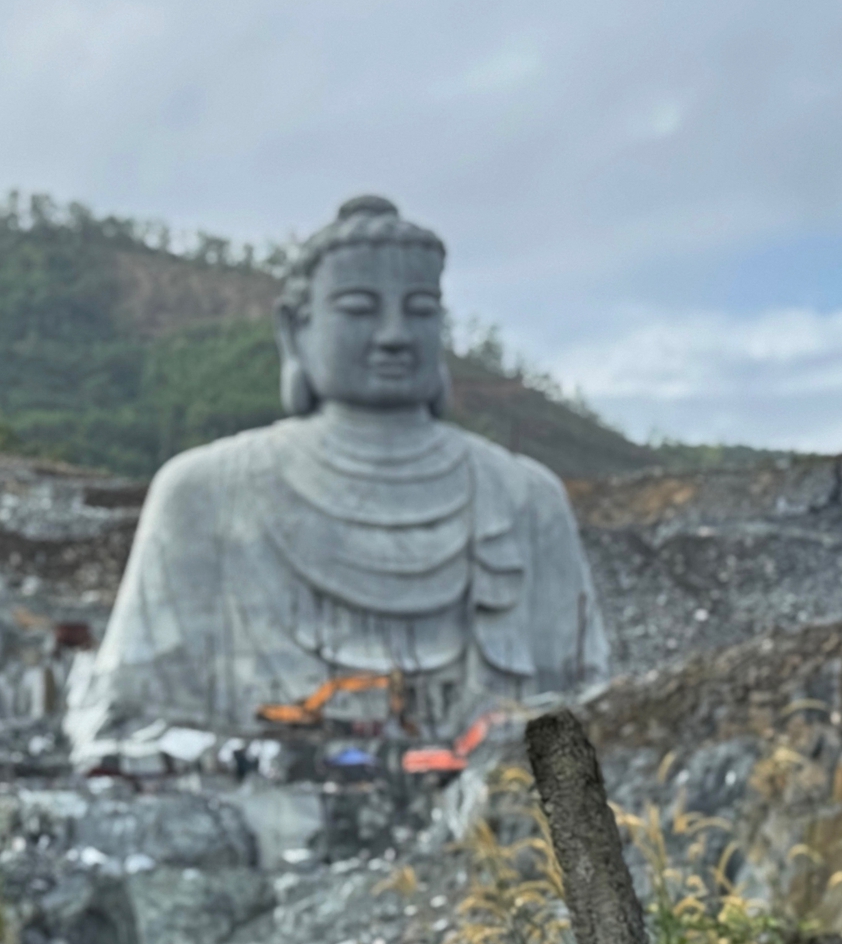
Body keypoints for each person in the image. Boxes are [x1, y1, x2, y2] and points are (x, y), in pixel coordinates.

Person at [65, 196, 607, 762]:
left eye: (420, 310)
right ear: (295, 329)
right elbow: (119, 727)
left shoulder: (527, 498)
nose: (395, 335)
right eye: (359, 309)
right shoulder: (202, 492)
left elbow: (600, 718)